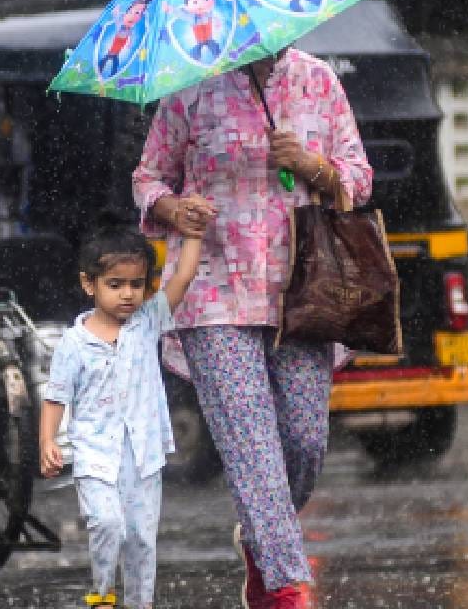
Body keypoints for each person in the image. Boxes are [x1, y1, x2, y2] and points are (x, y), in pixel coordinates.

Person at [132, 46, 373, 609]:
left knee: (305, 442)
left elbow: (358, 178)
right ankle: (289, 585)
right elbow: (148, 178)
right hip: (214, 292)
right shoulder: (190, 87)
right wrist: (173, 210)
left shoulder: (318, 79)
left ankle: (262, 542)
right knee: (251, 442)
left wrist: (314, 165)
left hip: (304, 290)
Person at [38, 217, 204, 609]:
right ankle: (102, 592)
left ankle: (140, 603)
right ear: (89, 284)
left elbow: (181, 279)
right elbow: (56, 396)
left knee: (142, 538)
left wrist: (194, 236)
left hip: (143, 453)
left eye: (136, 285)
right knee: (107, 523)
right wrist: (47, 440)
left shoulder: (147, 324)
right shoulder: (74, 343)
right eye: (115, 285)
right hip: (95, 453)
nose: (127, 294)